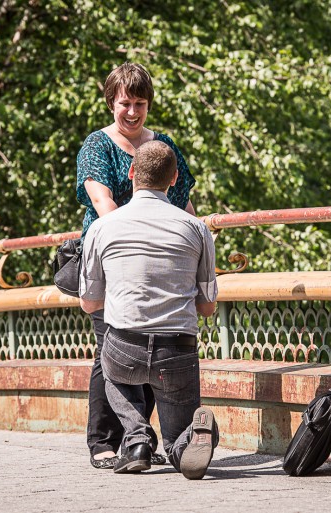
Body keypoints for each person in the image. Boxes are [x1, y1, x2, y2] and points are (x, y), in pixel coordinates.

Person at [76, 62, 197, 469]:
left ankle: (139, 441)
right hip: (112, 264)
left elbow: (184, 204)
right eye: (124, 103)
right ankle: (104, 442)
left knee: (152, 346)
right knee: (110, 349)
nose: (132, 111)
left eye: (139, 103)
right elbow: (103, 205)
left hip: (162, 265)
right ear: (111, 102)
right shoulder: (97, 146)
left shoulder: (162, 144)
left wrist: (195, 244)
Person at [79, 140, 219, 479]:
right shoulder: (198, 229)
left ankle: (137, 438)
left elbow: (89, 304)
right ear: (174, 179)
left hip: (124, 349)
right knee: (177, 441)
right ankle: (186, 442)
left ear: (130, 173)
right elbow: (207, 307)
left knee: (108, 366)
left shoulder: (101, 228)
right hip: (177, 351)